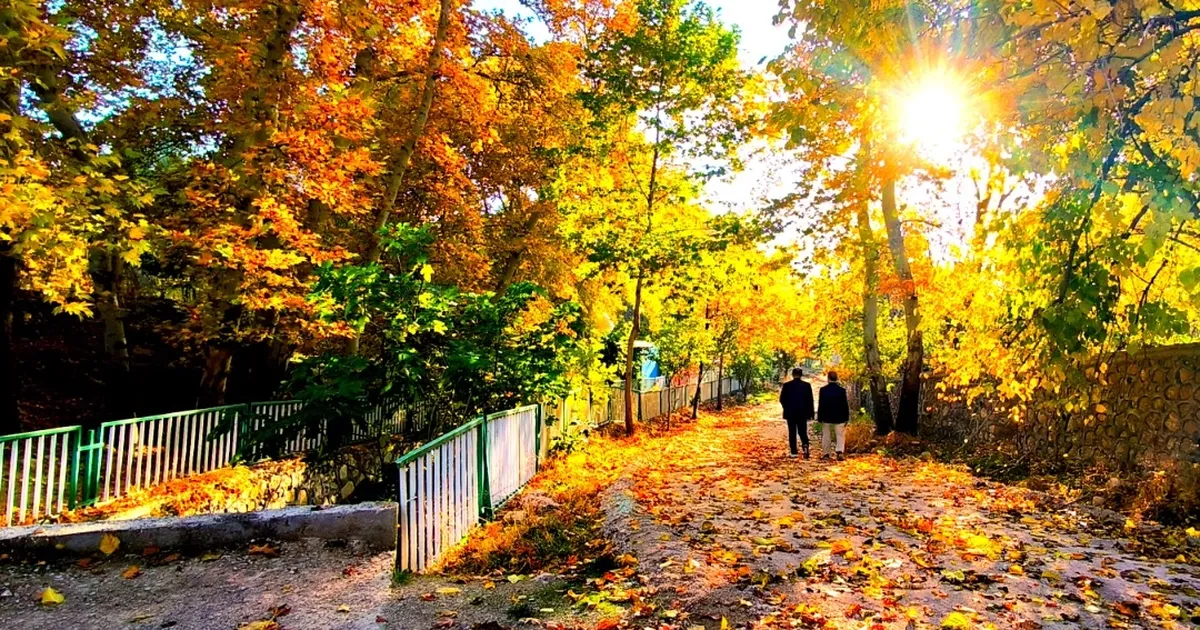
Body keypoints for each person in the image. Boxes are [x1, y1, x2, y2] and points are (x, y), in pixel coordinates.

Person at [779, 368, 815, 459]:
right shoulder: (806, 386)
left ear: (792, 374)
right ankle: (805, 445)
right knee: (802, 431)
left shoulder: (787, 385)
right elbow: (810, 400)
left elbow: (782, 399)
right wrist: (811, 413)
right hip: (802, 413)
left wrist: (786, 407)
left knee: (792, 432)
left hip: (790, 413)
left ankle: (794, 452)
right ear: (801, 375)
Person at [817, 371, 850, 460]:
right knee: (840, 435)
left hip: (826, 416)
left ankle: (826, 453)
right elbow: (845, 405)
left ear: (828, 378)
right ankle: (839, 451)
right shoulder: (841, 391)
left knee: (826, 435)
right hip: (839, 416)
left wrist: (819, 417)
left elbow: (821, 404)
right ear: (837, 379)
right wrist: (846, 417)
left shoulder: (823, 390)